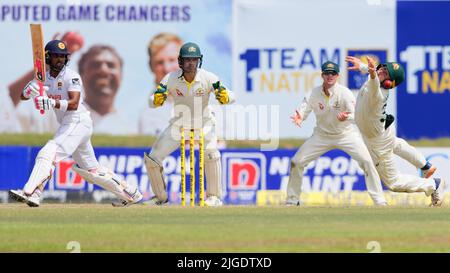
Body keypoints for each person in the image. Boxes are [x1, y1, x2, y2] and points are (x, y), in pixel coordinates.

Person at [8, 40, 142, 207]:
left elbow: (73, 103)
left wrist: (51, 103)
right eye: (56, 56)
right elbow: (23, 97)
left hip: (77, 121)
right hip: (69, 123)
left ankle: (30, 192)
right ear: (48, 58)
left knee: (49, 152)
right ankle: (130, 193)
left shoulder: (71, 76)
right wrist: (28, 92)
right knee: (92, 170)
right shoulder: (44, 78)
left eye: (63, 57)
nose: (59, 60)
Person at [143, 42, 235, 206]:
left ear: (199, 60)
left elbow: (231, 96)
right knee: (152, 159)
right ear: (181, 61)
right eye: (187, 60)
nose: (191, 63)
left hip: (204, 122)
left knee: (211, 154)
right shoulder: (171, 78)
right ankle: (160, 197)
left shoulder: (209, 78)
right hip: (179, 124)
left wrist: (226, 97)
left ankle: (214, 197)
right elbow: (153, 101)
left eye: (194, 59)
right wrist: (155, 101)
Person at [345, 55, 445, 206]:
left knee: (393, 183)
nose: (381, 72)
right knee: (395, 144)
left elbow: (373, 85)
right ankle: (424, 165)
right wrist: (364, 67)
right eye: (382, 68)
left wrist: (371, 73)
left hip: (377, 141)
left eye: (385, 73)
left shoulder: (378, 94)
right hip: (383, 130)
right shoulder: (377, 79)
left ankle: (433, 185)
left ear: (389, 83)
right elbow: (372, 80)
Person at [286, 61, 387, 206]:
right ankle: (292, 200)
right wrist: (299, 116)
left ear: (338, 75)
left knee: (367, 162)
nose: (330, 76)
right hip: (321, 136)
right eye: (327, 73)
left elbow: (357, 116)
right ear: (322, 75)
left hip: (346, 134)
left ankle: (380, 201)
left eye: (333, 73)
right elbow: (303, 109)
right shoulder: (314, 93)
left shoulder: (345, 93)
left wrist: (347, 117)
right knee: (297, 161)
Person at [78, 45, 135, 134]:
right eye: (95, 65)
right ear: (81, 74)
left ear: (121, 75)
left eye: (111, 65)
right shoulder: (61, 118)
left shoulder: (130, 131)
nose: (103, 70)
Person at [138, 33, 183, 135]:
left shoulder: (209, 99)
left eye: (172, 60)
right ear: (151, 66)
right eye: (159, 62)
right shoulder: (148, 113)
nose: (166, 68)